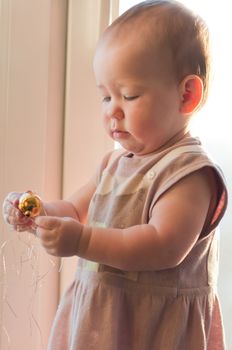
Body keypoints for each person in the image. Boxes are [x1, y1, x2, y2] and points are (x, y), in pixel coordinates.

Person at [2, 1, 228, 349]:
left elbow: (164, 245)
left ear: (187, 95)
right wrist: (38, 213)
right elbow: (75, 211)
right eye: (105, 97)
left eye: (129, 95)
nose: (112, 112)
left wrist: (83, 242)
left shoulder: (188, 172)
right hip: (101, 319)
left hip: (153, 328)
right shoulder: (113, 164)